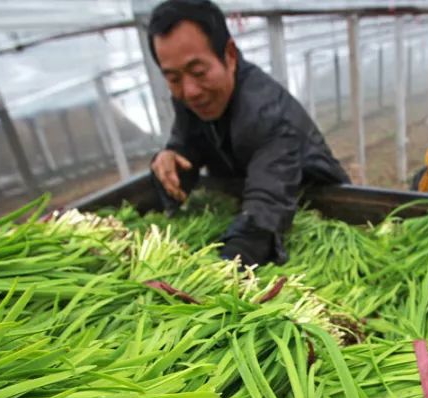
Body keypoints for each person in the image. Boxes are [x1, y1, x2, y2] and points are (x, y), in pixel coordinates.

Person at [147, 0, 349, 266]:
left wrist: (217, 277)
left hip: (318, 208)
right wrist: (172, 155)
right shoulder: (189, 96)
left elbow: (264, 216)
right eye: (173, 79)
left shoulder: (267, 112)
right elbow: (189, 142)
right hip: (248, 198)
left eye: (198, 71)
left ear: (229, 55)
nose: (190, 91)